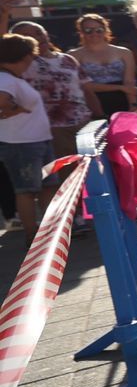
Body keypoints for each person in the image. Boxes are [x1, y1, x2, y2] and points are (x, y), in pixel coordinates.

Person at [8, 21, 96, 159]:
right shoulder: (21, 64)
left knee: (92, 169)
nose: (37, 38)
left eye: (39, 32)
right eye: (27, 36)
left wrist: (99, 115)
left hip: (83, 124)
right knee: (66, 173)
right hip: (50, 129)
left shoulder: (68, 59)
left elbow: (87, 89)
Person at [0, 32, 53, 235]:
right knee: (27, 191)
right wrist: (14, 110)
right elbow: (1, 101)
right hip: (21, 144)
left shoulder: (12, 78)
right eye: (32, 53)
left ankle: (49, 234)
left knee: (48, 187)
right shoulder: (5, 79)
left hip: (36, 140)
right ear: (23, 56)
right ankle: (32, 236)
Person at [69, 12, 137, 116]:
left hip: (122, 100)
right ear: (81, 33)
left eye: (99, 30)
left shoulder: (124, 52)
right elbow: (82, 86)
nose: (94, 34)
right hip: (92, 102)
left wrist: (133, 107)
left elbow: (129, 82)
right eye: (88, 30)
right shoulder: (73, 55)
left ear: (106, 30)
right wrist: (119, 88)